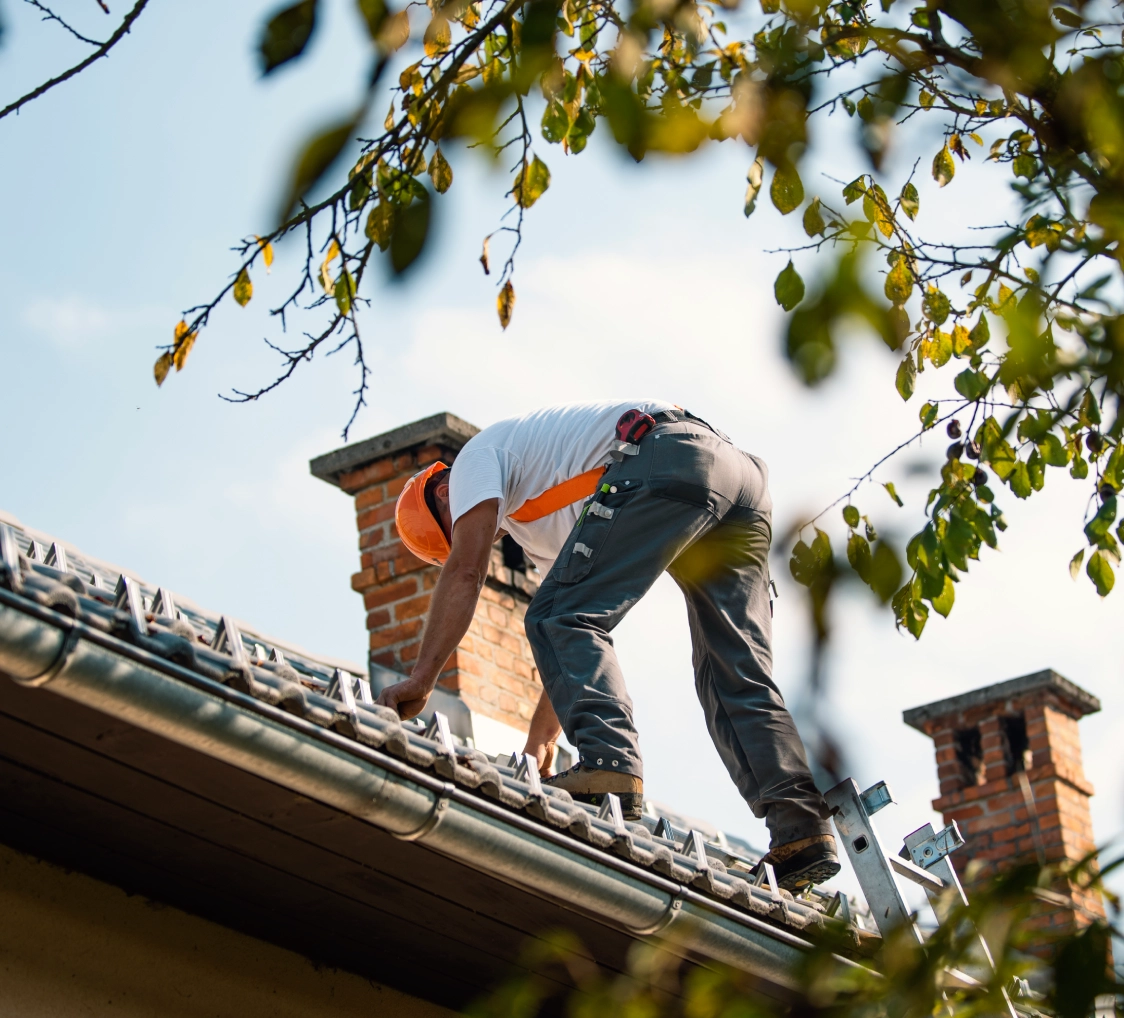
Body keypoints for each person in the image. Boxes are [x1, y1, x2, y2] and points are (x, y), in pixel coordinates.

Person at [376, 399, 839, 890]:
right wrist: (541, 742)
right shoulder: (540, 521)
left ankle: (611, 764)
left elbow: (469, 574)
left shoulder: (473, 460)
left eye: (454, 525)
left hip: (666, 455)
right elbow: (570, 635)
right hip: (737, 481)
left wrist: (422, 678)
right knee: (732, 671)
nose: (472, 532)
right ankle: (800, 828)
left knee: (557, 615)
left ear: (444, 490)